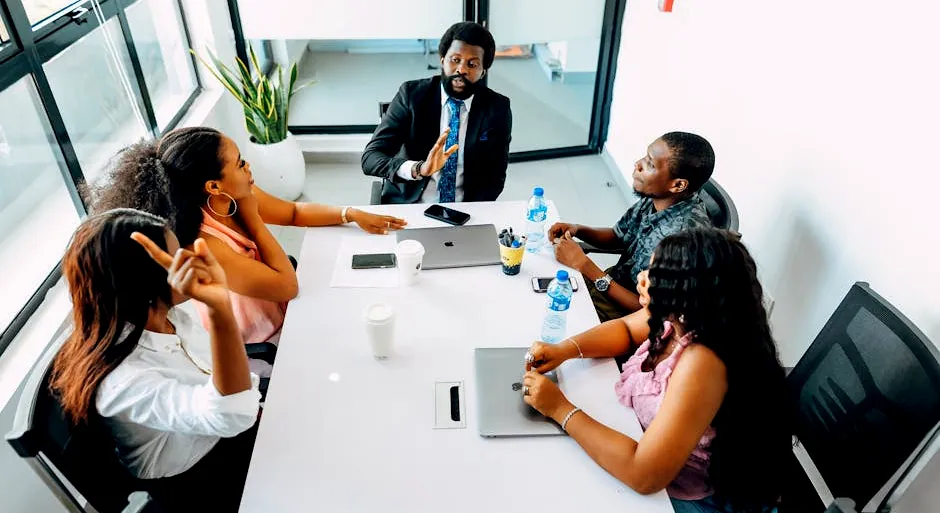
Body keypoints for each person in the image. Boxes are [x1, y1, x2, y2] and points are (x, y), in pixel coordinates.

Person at [523, 228, 790, 513]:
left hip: (690, 500)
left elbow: (644, 474)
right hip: (647, 453)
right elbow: (624, 330)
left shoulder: (702, 362)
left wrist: (560, 409)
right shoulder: (681, 317)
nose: (642, 276)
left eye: (656, 274)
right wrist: (566, 349)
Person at [88, 126, 406, 345]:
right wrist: (253, 220)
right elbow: (287, 286)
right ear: (213, 186)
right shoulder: (205, 243)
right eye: (239, 163)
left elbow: (294, 212)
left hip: (290, 312)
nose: (247, 166)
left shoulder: (234, 194)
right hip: (265, 340)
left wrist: (349, 213)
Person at [50, 209, 262, 513]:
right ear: (146, 281)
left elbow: (219, 385)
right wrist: (220, 310)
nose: (189, 259)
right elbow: (230, 416)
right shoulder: (123, 380)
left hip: (226, 436)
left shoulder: (166, 314)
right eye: (176, 256)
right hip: (203, 486)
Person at [549, 131, 715, 321]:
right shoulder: (658, 198)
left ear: (678, 185)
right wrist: (578, 229)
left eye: (650, 164)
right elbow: (618, 236)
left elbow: (650, 311)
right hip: (611, 283)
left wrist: (585, 266)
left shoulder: (685, 240)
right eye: (646, 156)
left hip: (624, 316)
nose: (638, 164)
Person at [361, 21, 512, 204]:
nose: (461, 70)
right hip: (410, 205)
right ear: (442, 60)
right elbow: (371, 157)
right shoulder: (412, 96)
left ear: (483, 72)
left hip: (466, 210)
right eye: (455, 60)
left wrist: (472, 212)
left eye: (472, 64)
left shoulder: (497, 108)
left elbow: (495, 177)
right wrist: (419, 168)